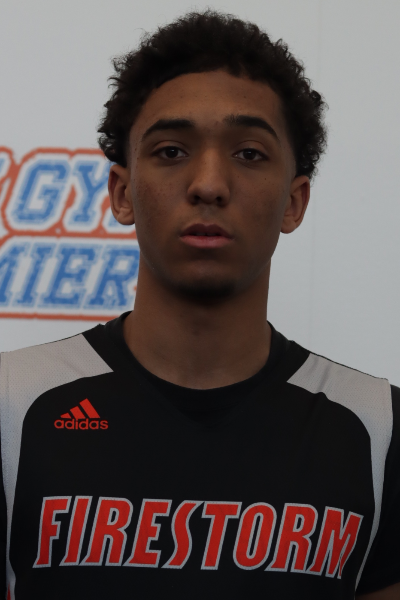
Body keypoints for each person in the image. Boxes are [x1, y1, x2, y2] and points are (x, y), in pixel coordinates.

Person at [0, 10, 399, 600]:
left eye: (249, 154)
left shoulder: (378, 429)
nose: (209, 184)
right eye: (171, 150)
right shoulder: (11, 405)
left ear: (294, 202)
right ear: (122, 193)